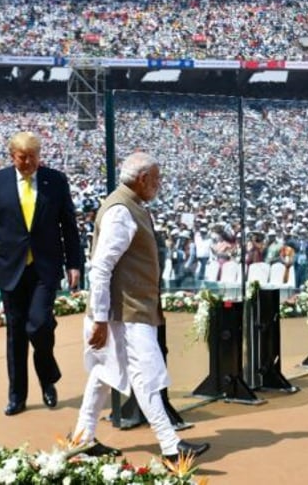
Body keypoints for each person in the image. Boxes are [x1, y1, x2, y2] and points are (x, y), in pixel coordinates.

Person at [73, 152, 209, 463]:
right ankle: (171, 446)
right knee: (146, 373)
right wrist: (100, 317)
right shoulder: (122, 211)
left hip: (126, 309)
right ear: (143, 178)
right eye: (157, 179)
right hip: (125, 312)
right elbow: (101, 267)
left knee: (103, 373)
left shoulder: (130, 205)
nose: (159, 185)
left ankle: (82, 436)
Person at [0, 131, 83, 416]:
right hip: (9, 267)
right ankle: (17, 396)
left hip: (45, 267)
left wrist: (74, 263)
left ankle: (47, 377)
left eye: (33, 156)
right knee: (16, 334)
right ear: (12, 156)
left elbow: (68, 224)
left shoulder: (55, 181)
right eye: (23, 157)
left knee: (40, 324)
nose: (29, 162)